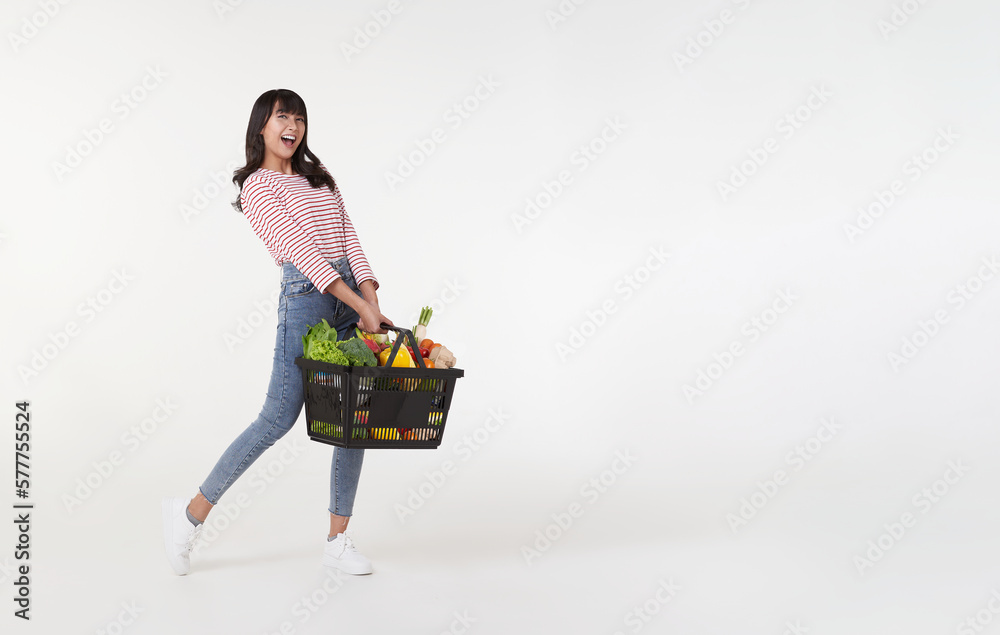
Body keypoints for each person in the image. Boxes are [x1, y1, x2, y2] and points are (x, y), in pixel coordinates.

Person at [162, 89, 392, 576]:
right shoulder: (257, 188)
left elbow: (350, 238)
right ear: (262, 127)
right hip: (308, 298)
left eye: (300, 118)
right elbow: (302, 252)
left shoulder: (319, 178)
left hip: (349, 295)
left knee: (355, 416)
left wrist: (371, 300)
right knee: (277, 418)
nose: (293, 126)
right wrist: (358, 306)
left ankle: (337, 539)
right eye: (282, 116)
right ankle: (188, 518)